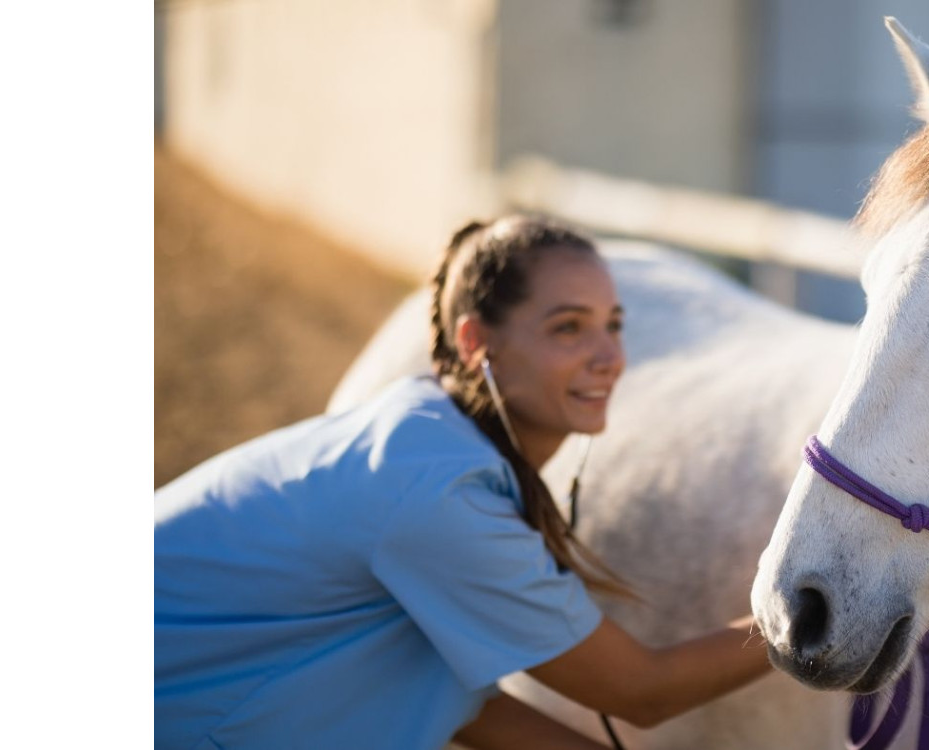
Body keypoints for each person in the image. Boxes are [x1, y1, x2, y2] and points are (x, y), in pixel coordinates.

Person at [155, 215, 774, 749]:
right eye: (568, 327)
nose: (609, 355)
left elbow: (474, 713)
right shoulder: (435, 495)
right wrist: (800, 614)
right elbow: (639, 690)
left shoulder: (427, 442)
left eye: (613, 325)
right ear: (476, 342)